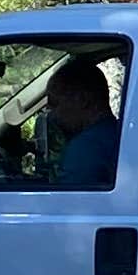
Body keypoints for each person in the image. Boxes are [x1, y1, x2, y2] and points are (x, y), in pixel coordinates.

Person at [39, 54, 123, 189]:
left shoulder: (86, 148)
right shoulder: (117, 135)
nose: (52, 114)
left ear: (82, 100)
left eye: (55, 104)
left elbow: (68, 200)